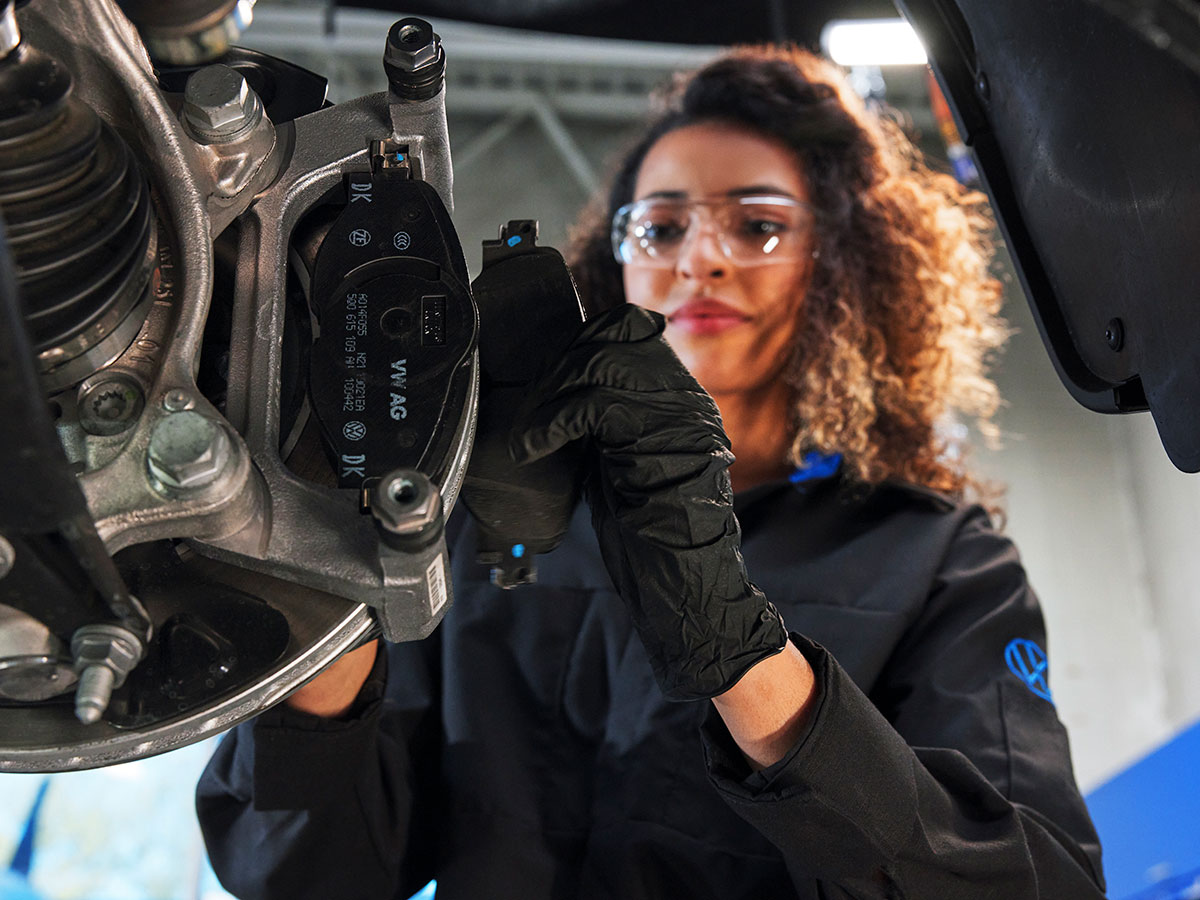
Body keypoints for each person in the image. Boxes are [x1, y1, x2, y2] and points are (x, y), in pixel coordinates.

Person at [197, 46, 1106, 899]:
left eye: (757, 226)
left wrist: (742, 656)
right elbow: (299, 870)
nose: (696, 259)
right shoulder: (466, 519)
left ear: (843, 268)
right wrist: (346, 569)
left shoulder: (939, 559)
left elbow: (1032, 882)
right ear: (617, 261)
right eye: (662, 226)